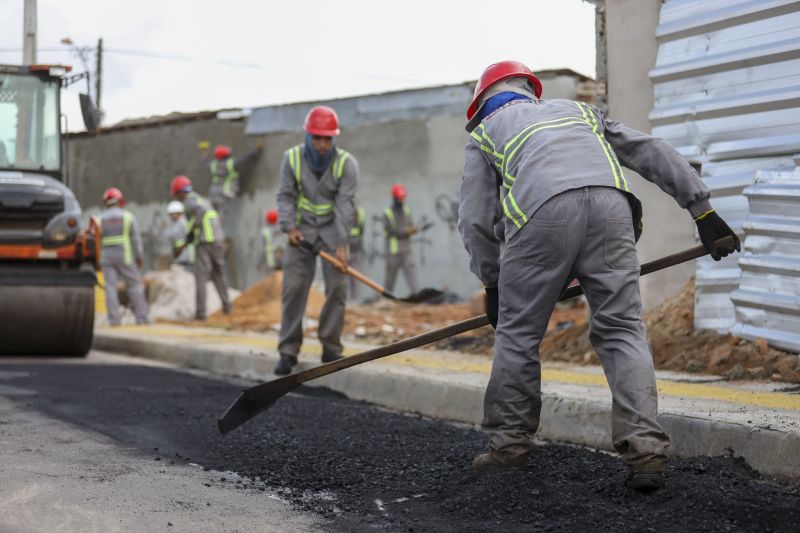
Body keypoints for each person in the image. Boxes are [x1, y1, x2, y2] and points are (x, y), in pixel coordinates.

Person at [457, 61, 739, 491]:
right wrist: (703, 210)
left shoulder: (485, 133)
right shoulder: (579, 111)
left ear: (482, 104)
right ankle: (645, 450)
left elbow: (476, 219)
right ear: (530, 92)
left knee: (517, 334)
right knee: (623, 328)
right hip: (613, 213)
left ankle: (508, 448)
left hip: (539, 218)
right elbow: (652, 151)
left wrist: (492, 282)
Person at [275, 105, 358, 375]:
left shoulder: (347, 163)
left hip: (333, 233)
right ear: (308, 136)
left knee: (337, 289)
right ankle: (288, 351)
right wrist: (289, 228)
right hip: (300, 234)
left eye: (327, 139)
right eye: (317, 138)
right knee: (294, 289)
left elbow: (345, 205)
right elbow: (286, 196)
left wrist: (342, 245)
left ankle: (330, 346)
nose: (322, 144)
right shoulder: (291, 159)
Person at [170, 175, 232, 320]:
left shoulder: (189, 203)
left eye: (176, 194)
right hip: (217, 239)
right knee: (218, 274)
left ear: (180, 192)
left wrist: (183, 244)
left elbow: (195, 222)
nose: (177, 198)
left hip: (205, 241)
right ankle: (227, 306)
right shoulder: (201, 199)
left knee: (201, 276)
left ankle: (200, 313)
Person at [99, 187, 149, 325]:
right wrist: (139, 257)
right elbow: (136, 240)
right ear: (119, 201)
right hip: (125, 256)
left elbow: (96, 239)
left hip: (106, 258)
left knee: (110, 287)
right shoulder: (128, 216)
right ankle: (141, 318)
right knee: (134, 285)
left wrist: (97, 260)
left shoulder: (100, 218)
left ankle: (114, 320)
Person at [200, 142, 263, 221]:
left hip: (213, 193)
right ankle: (217, 231)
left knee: (211, 214)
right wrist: (257, 151)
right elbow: (245, 158)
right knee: (221, 216)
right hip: (224, 194)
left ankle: (212, 228)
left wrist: (204, 152)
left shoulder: (213, 164)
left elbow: (204, 162)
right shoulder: (230, 164)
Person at [383, 184, 419, 294]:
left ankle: (417, 296)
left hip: (406, 251)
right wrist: (406, 231)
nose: (401, 200)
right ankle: (386, 299)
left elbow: (410, 224)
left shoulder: (407, 210)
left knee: (413, 277)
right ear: (394, 198)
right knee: (389, 282)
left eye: (402, 197)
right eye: (399, 198)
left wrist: (413, 229)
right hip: (393, 252)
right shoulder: (388, 213)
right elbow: (391, 230)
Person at [166, 200, 193, 269]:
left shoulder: (182, 222)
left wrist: (165, 230)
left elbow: (173, 235)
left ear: (178, 213)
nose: (171, 216)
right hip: (181, 254)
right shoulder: (178, 222)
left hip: (185, 255)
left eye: (172, 214)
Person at [347, 205, 366, 299]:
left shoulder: (360, 212)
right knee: (345, 278)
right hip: (346, 249)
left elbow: (361, 230)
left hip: (356, 249)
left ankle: (355, 298)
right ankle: (350, 298)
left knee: (355, 277)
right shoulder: (344, 211)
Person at [260, 209, 285, 274]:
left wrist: (260, 262)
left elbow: (261, 248)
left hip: (271, 262)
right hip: (283, 259)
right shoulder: (282, 229)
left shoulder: (265, 231)